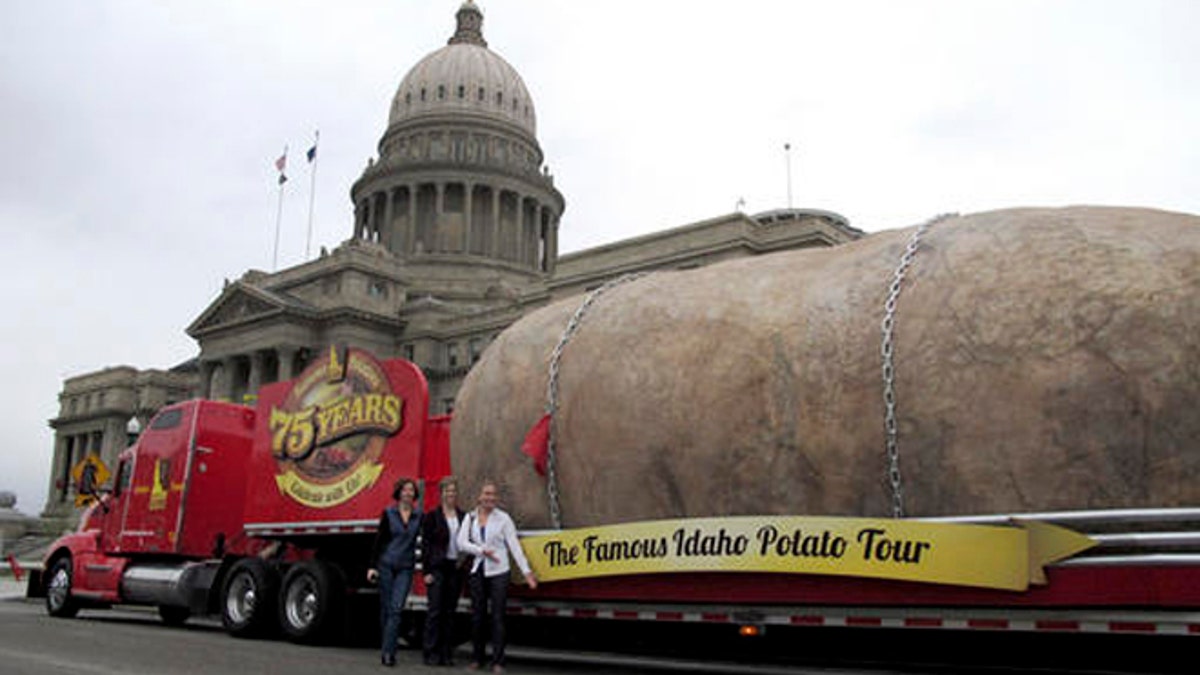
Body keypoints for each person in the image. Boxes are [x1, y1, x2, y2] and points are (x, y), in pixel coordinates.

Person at [456, 479, 537, 674]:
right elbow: (461, 543)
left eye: (493, 495)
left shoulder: (503, 518)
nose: (489, 498)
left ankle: (498, 661)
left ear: (496, 498)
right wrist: (481, 550)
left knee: (498, 617)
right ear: (480, 496)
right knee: (477, 617)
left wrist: (527, 572)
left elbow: (514, 546)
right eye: (486, 494)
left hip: (499, 572)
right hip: (478, 571)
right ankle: (477, 658)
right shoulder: (470, 517)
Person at [367, 478, 422, 667]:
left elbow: (425, 540)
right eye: (405, 490)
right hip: (386, 565)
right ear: (399, 493)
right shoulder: (389, 513)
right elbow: (379, 540)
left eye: (411, 490)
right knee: (387, 609)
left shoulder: (418, 516)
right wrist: (372, 566)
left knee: (396, 609)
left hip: (405, 567)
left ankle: (389, 653)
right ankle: (387, 645)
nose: (408, 493)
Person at [419, 476, 467, 666]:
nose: (451, 494)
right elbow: (426, 546)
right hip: (437, 567)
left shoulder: (464, 517)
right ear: (441, 494)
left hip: (455, 568)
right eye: (447, 491)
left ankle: (446, 654)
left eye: (454, 491)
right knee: (435, 611)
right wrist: (426, 571)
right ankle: (430, 652)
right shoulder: (432, 516)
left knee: (450, 613)